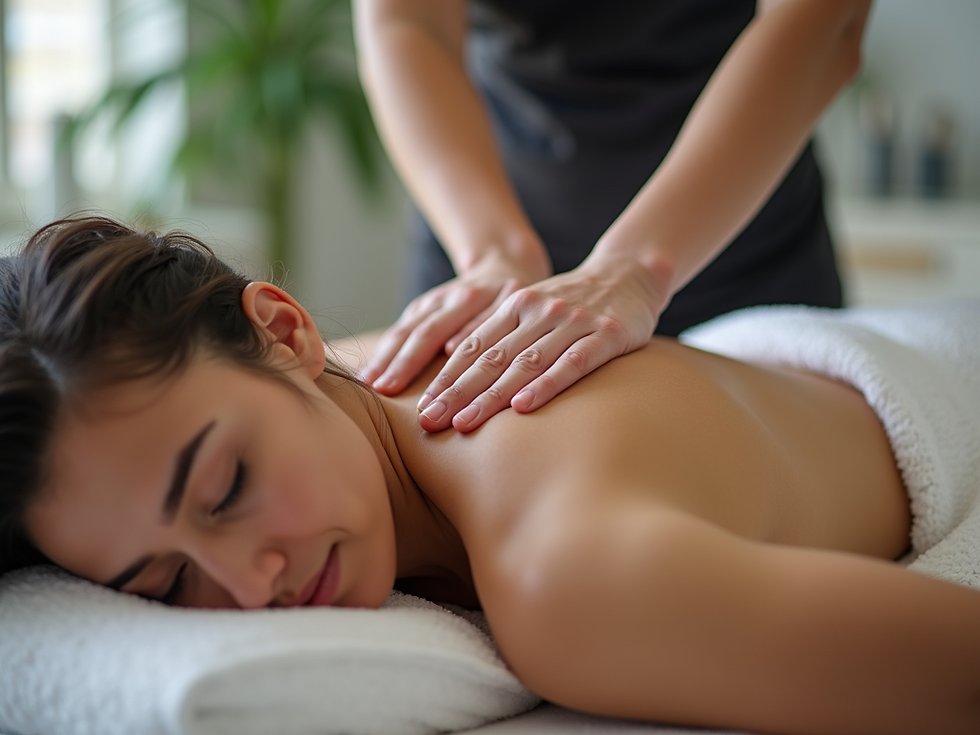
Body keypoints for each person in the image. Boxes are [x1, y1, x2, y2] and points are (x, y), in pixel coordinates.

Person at [4, 217, 980, 735]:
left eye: (224, 486)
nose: (249, 586)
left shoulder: (569, 581)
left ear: (287, 331)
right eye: (166, 583)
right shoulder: (333, 384)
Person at [354, 0, 873, 434]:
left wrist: (638, 266)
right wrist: (493, 253)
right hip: (479, 242)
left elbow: (825, 23)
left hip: (742, 255)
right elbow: (406, 22)